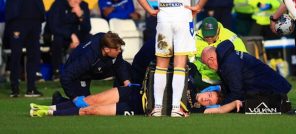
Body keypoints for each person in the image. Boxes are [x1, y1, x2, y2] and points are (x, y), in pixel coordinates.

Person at [132, 0, 212, 117]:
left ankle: (157, 109)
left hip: (164, 16)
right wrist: (198, 6)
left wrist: (149, 9)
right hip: (183, 15)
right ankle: (176, 109)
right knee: (179, 64)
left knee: (161, 64)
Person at [30, 83, 242, 117]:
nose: (206, 99)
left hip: (138, 109)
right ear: (207, 89)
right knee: (89, 100)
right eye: (209, 95)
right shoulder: (190, 81)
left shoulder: (194, 110)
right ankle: (50, 106)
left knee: (91, 110)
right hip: (134, 93)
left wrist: (234, 104)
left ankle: (48, 113)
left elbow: (220, 111)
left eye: (209, 100)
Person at [3, 0, 47, 97]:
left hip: (35, 19)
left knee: (34, 55)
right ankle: (15, 88)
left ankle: (31, 87)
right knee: (16, 55)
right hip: (17, 20)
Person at [201, 40, 292, 105]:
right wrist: (220, 89)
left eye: (207, 65)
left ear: (211, 59)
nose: (209, 68)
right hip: (275, 86)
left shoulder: (229, 64)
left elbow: (237, 93)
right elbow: (231, 85)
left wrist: (220, 106)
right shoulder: (228, 57)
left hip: (275, 91)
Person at [59, 32, 132, 101]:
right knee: (85, 104)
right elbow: (65, 76)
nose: (120, 51)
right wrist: (74, 98)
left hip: (99, 68)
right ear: (106, 49)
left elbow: (120, 63)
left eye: (120, 48)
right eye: (117, 49)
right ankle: (58, 100)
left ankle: (119, 98)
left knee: (126, 67)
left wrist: (126, 81)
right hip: (81, 74)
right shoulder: (88, 57)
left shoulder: (112, 44)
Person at [47, 0, 91, 81]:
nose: (76, 1)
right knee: (57, 39)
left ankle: (89, 70)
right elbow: (54, 27)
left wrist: (81, 16)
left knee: (90, 38)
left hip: (77, 37)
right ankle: (57, 72)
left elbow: (87, 28)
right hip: (62, 35)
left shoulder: (83, 6)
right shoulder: (57, 5)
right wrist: (71, 35)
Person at [193, 16, 247, 87]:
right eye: (206, 36)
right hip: (201, 79)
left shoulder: (232, 39)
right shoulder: (195, 37)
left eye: (212, 36)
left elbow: (242, 61)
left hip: (224, 80)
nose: (209, 39)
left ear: (218, 30)